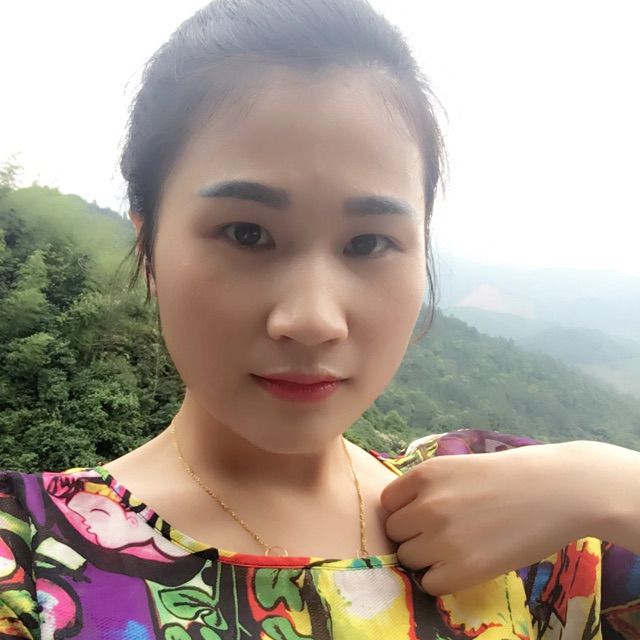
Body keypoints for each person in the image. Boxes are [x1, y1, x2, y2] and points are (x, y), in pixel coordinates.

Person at [1, 0, 640, 637]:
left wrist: (605, 483)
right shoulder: (30, 568)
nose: (312, 321)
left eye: (369, 242)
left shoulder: (520, 516)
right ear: (149, 246)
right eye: (247, 233)